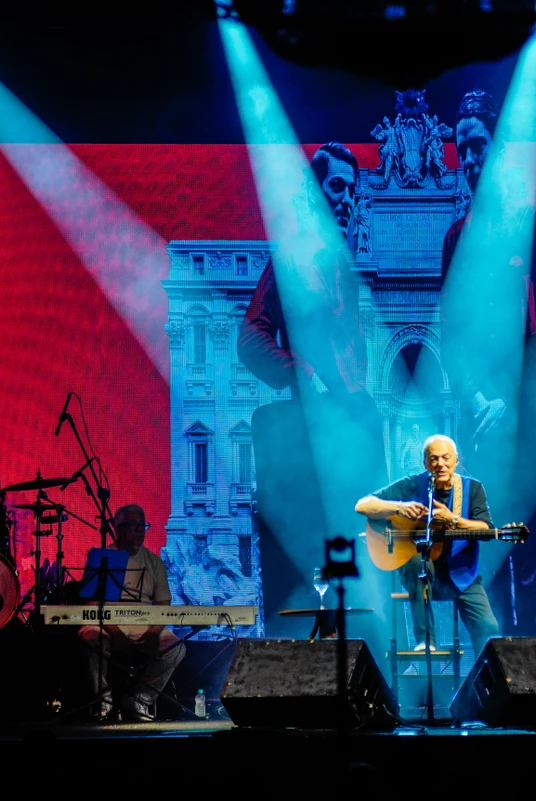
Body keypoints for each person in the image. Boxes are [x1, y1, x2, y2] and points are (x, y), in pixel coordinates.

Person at [237, 141, 385, 636]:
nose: (345, 200)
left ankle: (355, 661)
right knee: (308, 560)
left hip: (350, 432)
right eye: (336, 188)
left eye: (351, 190)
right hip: (309, 434)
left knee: (350, 558)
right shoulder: (291, 259)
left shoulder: (340, 263)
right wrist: (300, 371)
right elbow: (250, 337)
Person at [439, 89, 536, 637]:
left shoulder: (532, 225)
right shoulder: (456, 239)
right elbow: (451, 335)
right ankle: (492, 674)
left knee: (530, 552)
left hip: (524, 415)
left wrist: (508, 398)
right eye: (460, 148)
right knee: (484, 552)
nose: (468, 158)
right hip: (478, 422)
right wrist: (477, 398)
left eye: (477, 145)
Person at [355, 434, 499, 656]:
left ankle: (484, 682)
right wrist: (398, 508)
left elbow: (487, 530)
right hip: (419, 572)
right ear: (425, 463)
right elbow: (362, 505)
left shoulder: (472, 489)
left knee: (489, 630)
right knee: (417, 561)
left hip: (462, 574)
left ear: (456, 460)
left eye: (445, 458)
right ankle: (425, 641)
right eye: (433, 459)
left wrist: (453, 519)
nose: (440, 464)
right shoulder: (414, 484)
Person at [77, 504, 186, 722]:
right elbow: (92, 604)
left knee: (177, 648)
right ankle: (103, 699)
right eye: (131, 526)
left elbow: (163, 605)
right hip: (105, 619)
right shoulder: (103, 558)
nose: (138, 531)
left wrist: (155, 632)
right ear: (117, 528)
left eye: (142, 526)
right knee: (90, 639)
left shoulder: (154, 561)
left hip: (143, 622)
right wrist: (115, 631)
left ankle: (140, 699)